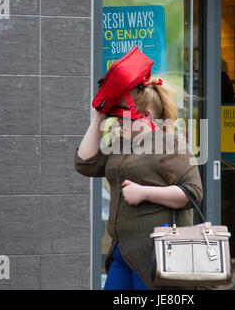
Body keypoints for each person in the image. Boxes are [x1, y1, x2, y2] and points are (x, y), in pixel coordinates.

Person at [75, 50, 203, 290]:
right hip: (123, 254)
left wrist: (145, 192)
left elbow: (192, 193)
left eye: (123, 118)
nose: (118, 124)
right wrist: (98, 118)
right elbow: (85, 163)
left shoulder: (170, 143)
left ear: (145, 116)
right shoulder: (120, 144)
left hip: (158, 256)